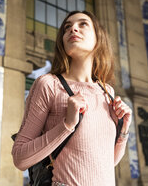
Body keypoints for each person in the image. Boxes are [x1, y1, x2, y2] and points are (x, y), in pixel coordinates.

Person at [12, 11, 132, 185]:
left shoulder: (108, 92)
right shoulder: (48, 84)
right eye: (67, 27)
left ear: (99, 38)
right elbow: (20, 158)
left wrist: (124, 129)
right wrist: (67, 125)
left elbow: (107, 163)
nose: (73, 28)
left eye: (83, 24)